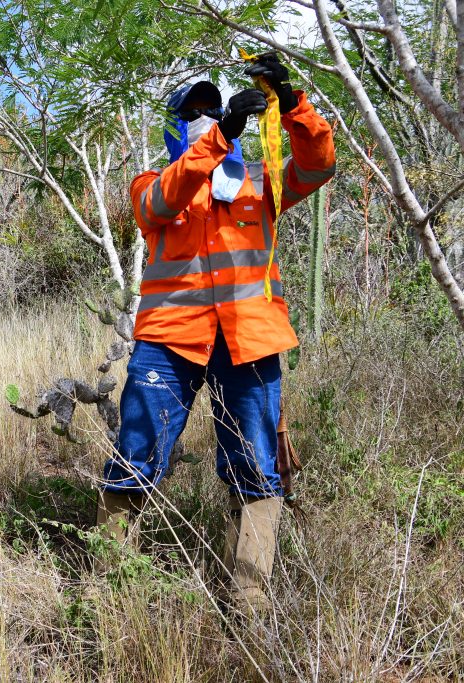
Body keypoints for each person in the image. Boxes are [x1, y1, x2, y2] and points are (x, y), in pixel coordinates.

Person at [98, 54, 336, 616]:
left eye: (213, 109)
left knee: (256, 464)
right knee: (134, 452)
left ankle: (248, 600)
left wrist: (291, 100)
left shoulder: (260, 179)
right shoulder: (152, 182)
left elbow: (319, 164)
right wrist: (220, 137)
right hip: (169, 341)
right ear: (175, 122)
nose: (206, 117)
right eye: (195, 111)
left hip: (249, 339)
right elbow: (160, 204)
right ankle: (107, 587)